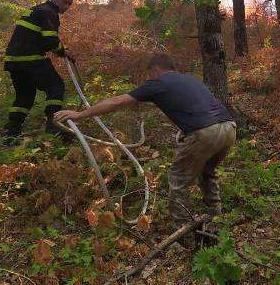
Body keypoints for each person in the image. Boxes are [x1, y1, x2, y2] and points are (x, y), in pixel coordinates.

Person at [54, 54, 236, 228]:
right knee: (207, 171)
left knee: (178, 180)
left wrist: (80, 115)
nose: (149, 77)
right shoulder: (190, 79)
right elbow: (197, 106)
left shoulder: (157, 83)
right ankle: (216, 216)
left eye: (149, 74)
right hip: (229, 127)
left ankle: (182, 231)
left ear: (155, 70)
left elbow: (117, 101)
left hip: (204, 133)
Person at [4, 0, 75, 142]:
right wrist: (63, 52)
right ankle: (53, 127)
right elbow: (50, 40)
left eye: (69, 4)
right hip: (31, 59)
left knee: (24, 96)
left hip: (14, 62)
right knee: (56, 87)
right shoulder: (49, 12)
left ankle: (12, 133)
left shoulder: (35, 10)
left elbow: (40, 38)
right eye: (65, 2)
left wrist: (59, 49)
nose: (66, 7)